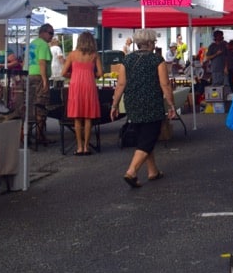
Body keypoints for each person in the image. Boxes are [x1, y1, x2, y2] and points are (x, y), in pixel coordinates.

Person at [110, 29, 177, 188]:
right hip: (151, 103)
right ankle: (132, 172)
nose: (155, 44)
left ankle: (152, 171)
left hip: (132, 103)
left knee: (143, 137)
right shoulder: (156, 60)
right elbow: (164, 84)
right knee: (148, 138)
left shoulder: (127, 60)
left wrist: (114, 104)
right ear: (149, 43)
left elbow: (121, 84)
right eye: (154, 42)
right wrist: (171, 104)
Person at [61, 31, 103, 155]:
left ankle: (79, 147)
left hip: (76, 85)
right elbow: (100, 73)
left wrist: (73, 75)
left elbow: (63, 73)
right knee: (88, 117)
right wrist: (91, 75)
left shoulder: (72, 55)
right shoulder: (94, 55)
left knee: (77, 117)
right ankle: (86, 147)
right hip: (89, 85)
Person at [27, 23, 55, 144]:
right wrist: (45, 80)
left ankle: (29, 134)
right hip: (39, 77)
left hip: (29, 76)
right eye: (50, 33)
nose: (52, 36)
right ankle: (40, 135)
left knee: (31, 105)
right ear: (43, 32)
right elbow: (42, 62)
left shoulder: (32, 43)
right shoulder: (43, 45)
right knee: (41, 105)